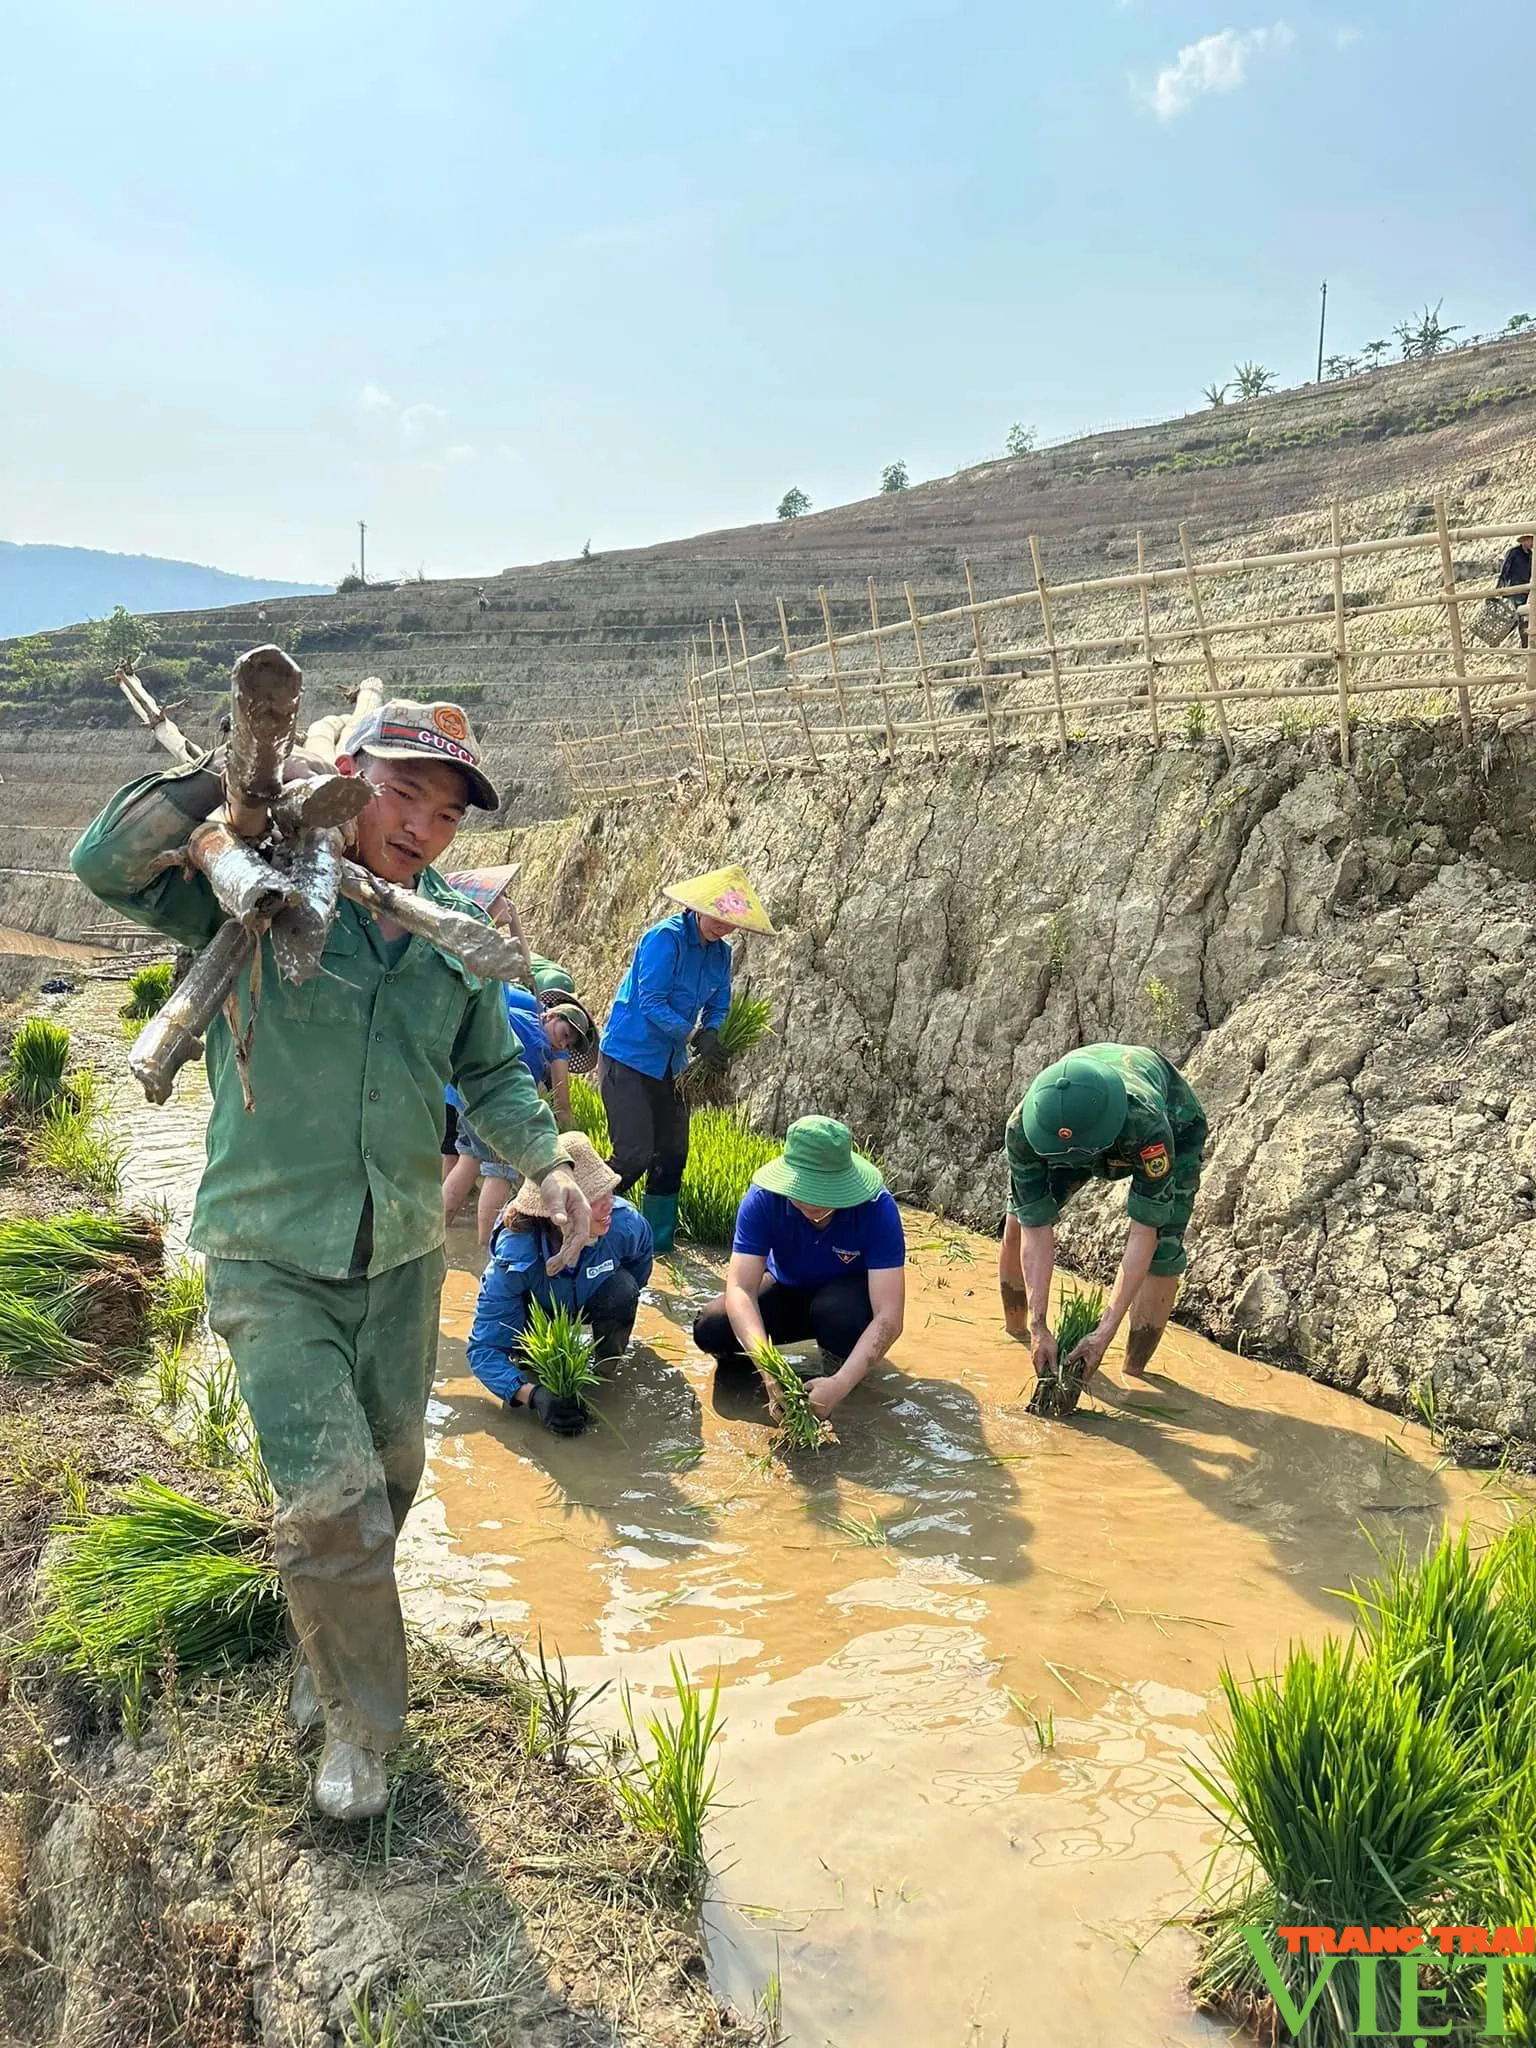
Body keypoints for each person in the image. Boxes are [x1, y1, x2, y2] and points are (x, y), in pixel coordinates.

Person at [69, 694, 592, 1822]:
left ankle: (327, 1648)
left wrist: (544, 1163)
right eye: (403, 791)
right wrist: (238, 781)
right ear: (348, 772)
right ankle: (361, 1730)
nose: (420, 824)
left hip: (402, 1255)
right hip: (270, 1250)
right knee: (335, 1496)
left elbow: (492, 1071)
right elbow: (102, 860)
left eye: (447, 811)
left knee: (392, 1479)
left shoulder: (449, 927)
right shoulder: (252, 888)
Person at [999, 1044, 1207, 1395]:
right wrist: (1038, 1327)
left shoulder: (1148, 1125)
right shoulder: (1024, 1129)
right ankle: (1017, 1335)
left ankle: (1134, 1374)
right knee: (1019, 1219)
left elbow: (1145, 1232)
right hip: (1072, 1123)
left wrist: (1103, 1332)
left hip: (1166, 1120)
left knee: (1165, 1248)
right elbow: (1035, 1225)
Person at [598, 865, 775, 1254]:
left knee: (673, 1155)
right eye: (719, 919)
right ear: (698, 908)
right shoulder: (665, 939)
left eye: (732, 924)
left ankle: (654, 1245)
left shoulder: (721, 954)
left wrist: (713, 1030)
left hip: (671, 1066)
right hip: (628, 1058)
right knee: (633, 1155)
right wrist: (695, 1035)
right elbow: (651, 1002)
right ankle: (582, 1218)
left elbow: (719, 1002)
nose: (723, 929)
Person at [692, 1116, 905, 1423]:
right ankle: (749, 1373)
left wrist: (840, 1384)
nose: (812, 1201)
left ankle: (839, 1371)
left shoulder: (877, 1209)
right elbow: (740, 1289)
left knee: (837, 1312)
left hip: (845, 1306)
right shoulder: (763, 1199)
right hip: (786, 1289)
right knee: (712, 1327)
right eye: (804, 1188)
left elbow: (889, 1316)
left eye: (825, 1190)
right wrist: (769, 1371)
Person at [466, 1133, 653, 1435]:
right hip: (534, 1315)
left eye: (609, 1191)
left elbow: (639, 1269)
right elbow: (483, 1350)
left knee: (623, 1289)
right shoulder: (515, 1255)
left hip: (592, 1301)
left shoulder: (625, 1224)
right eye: (593, 1198)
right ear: (558, 1214)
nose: (608, 1204)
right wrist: (534, 1396)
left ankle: (605, 1373)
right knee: (530, 1367)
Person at [444, 991, 598, 1241]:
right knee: (500, 1170)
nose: (562, 1044)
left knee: (470, 1160)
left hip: (459, 1093)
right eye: (564, 1034)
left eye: (568, 1045)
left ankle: (441, 1229)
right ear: (551, 1016)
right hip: (485, 1100)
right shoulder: (536, 1046)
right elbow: (520, 1100)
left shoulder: (522, 1017)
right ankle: (487, 1246)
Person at [1498, 534, 1533, 648]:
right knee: (1519, 614)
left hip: (1525, 589)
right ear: (1524, 541)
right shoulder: (1514, 552)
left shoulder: (1531, 555)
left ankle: (1525, 642)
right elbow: (1505, 570)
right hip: (1514, 587)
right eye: (1530, 540)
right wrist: (1500, 587)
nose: (1532, 543)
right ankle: (1524, 642)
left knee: (1523, 614)